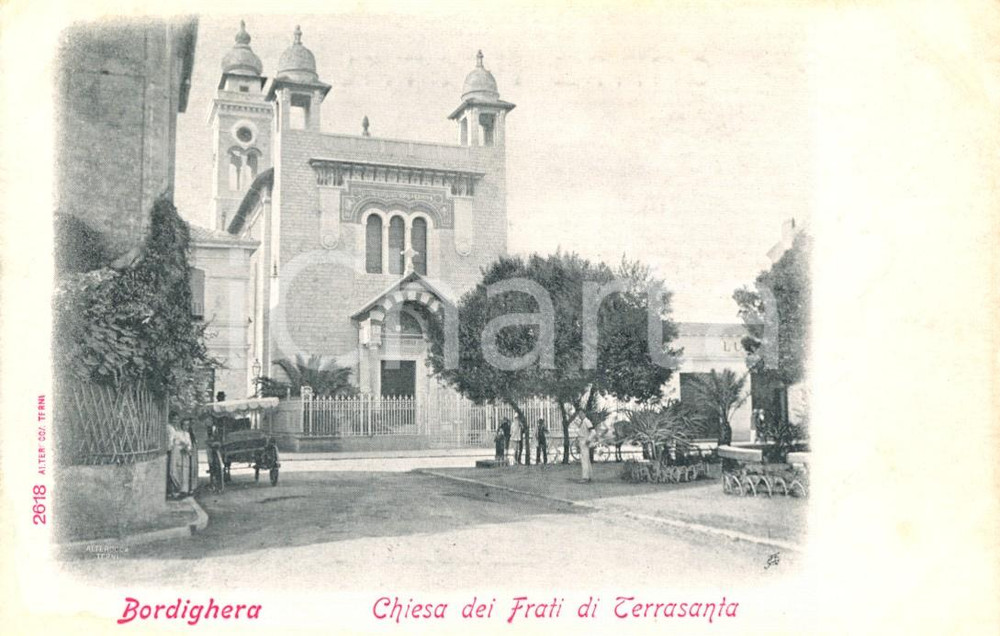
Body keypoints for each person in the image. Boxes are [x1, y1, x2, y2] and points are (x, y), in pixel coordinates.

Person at [577, 416, 596, 483]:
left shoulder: (587, 421)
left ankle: (585, 477)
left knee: (584, 460)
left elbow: (593, 432)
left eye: (581, 413)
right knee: (586, 459)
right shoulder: (583, 422)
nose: (579, 415)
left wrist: (589, 439)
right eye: (579, 414)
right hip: (582, 441)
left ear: (583, 413)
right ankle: (589, 476)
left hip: (585, 441)